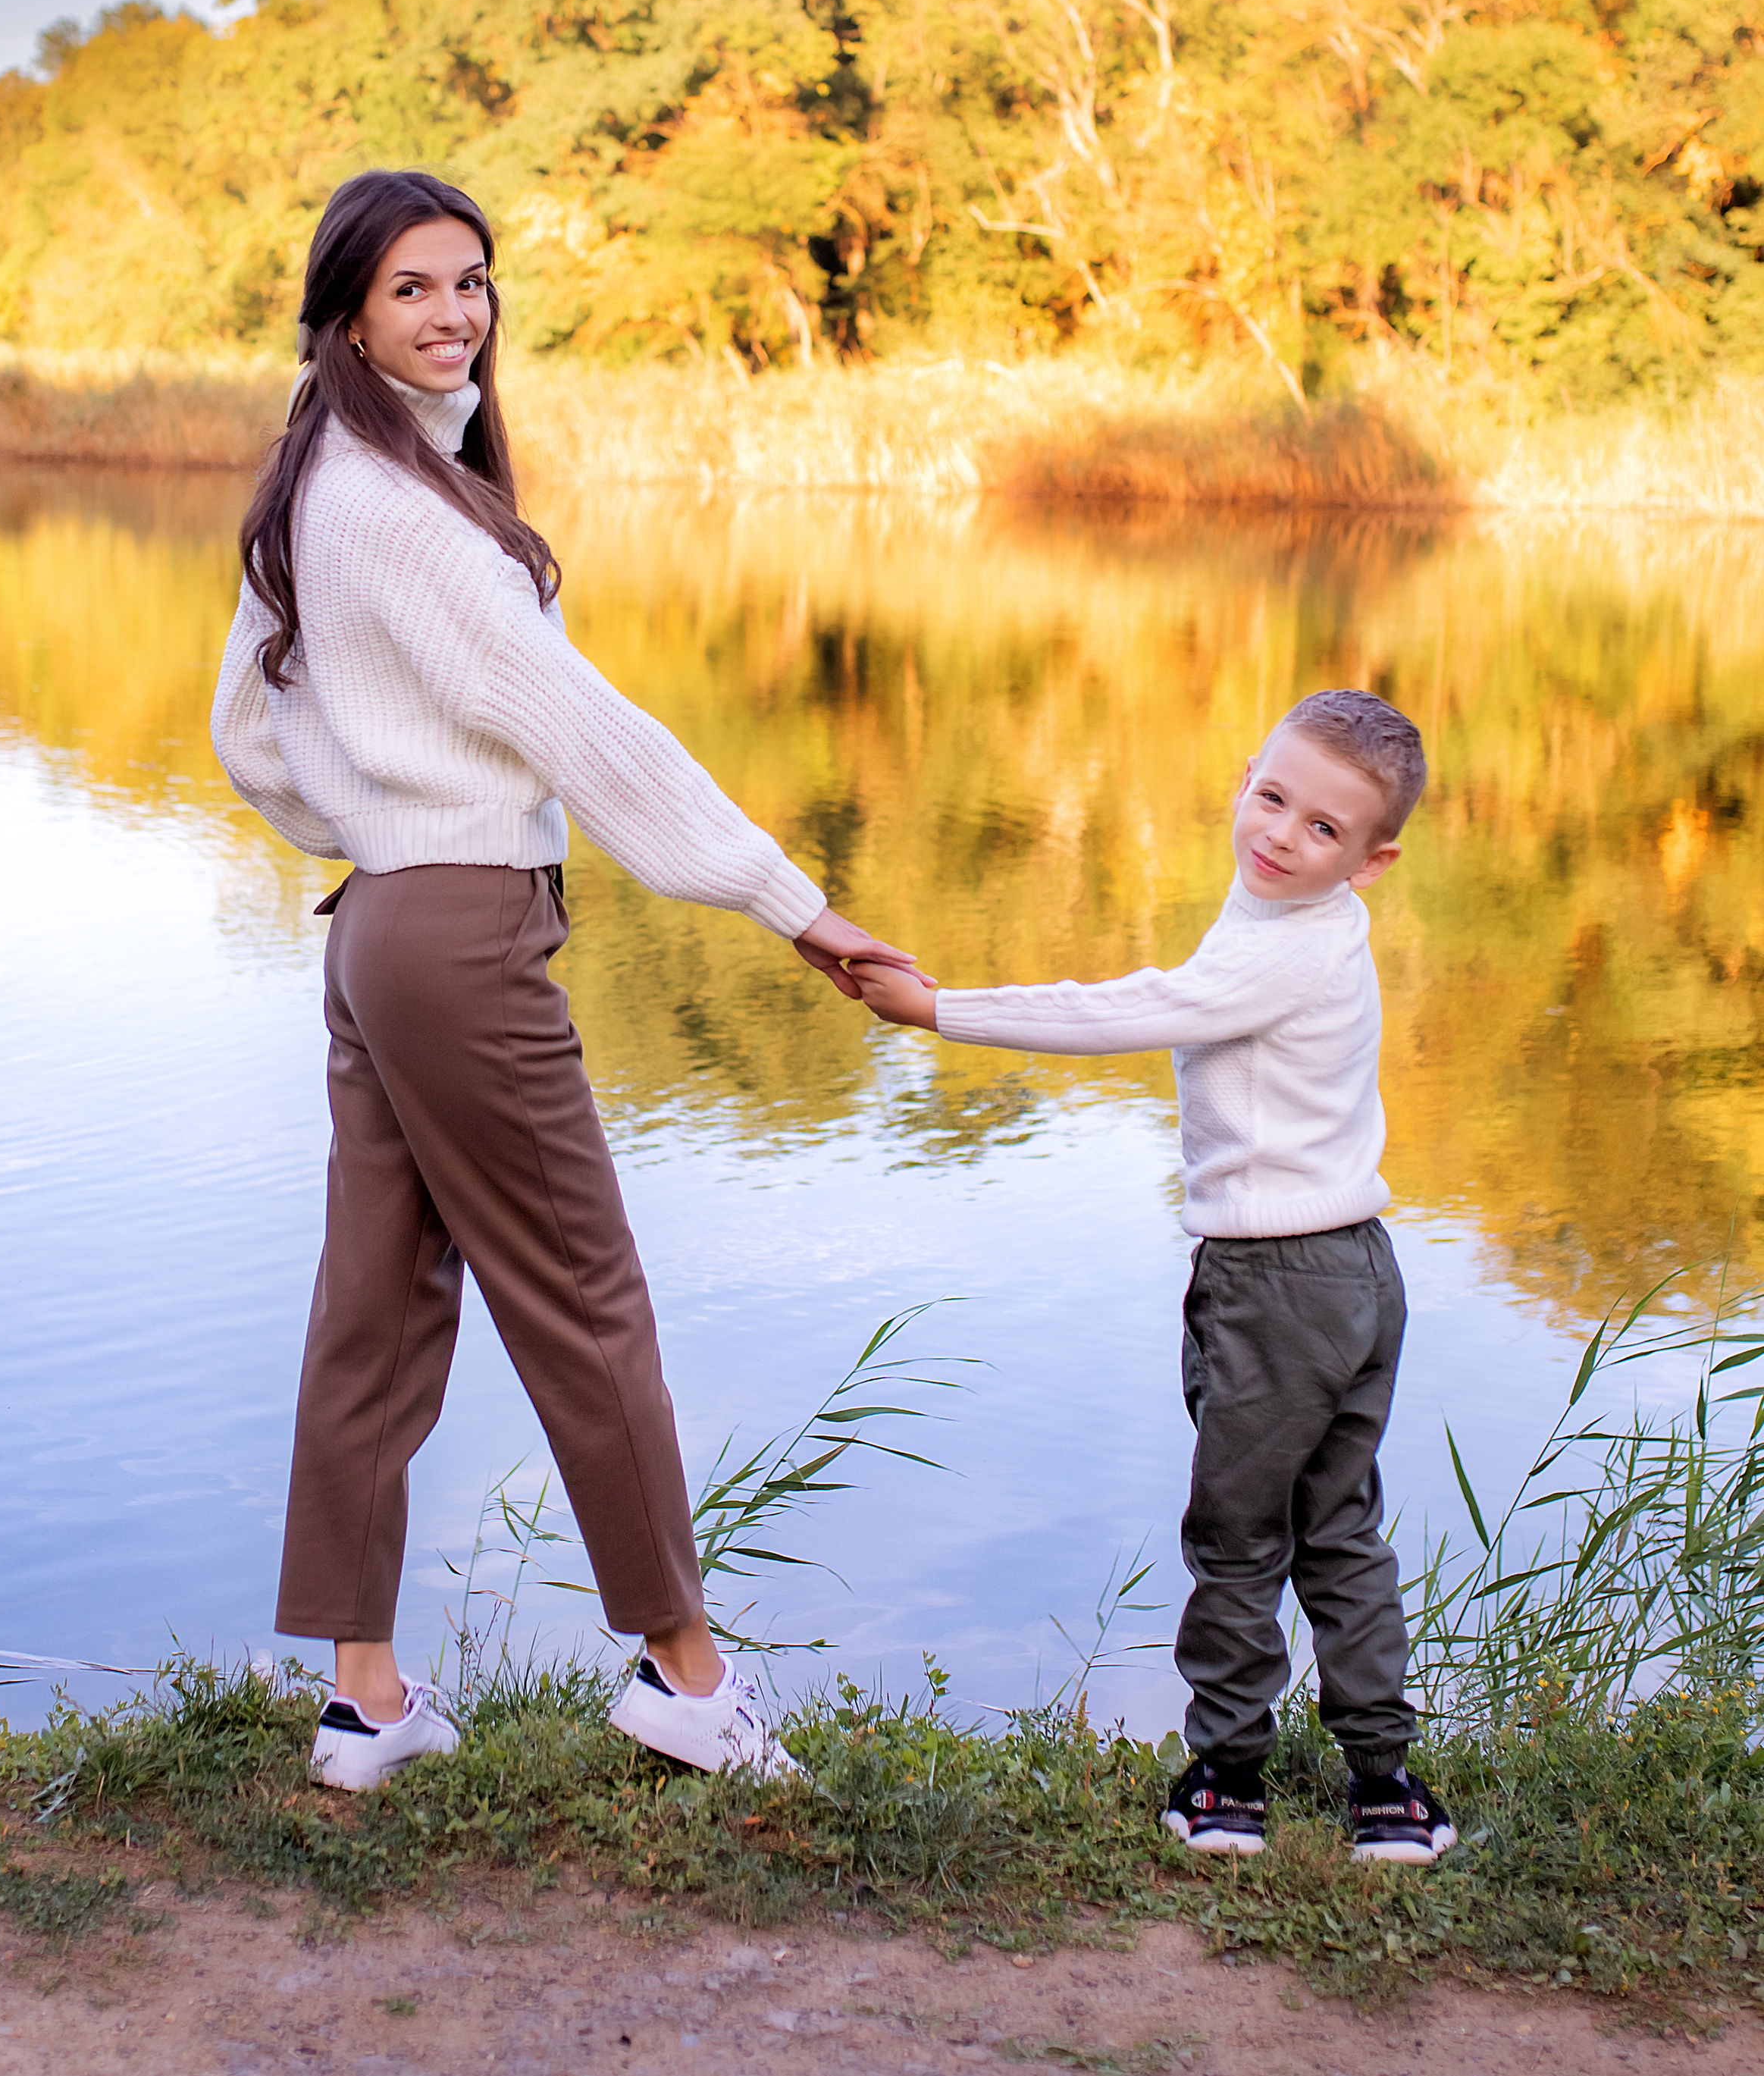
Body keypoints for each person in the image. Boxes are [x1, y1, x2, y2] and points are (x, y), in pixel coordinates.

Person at [212, 169, 914, 1793]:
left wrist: (375, 831)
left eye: (471, 282)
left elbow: (248, 730)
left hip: (385, 920)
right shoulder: (400, 511)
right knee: (584, 1299)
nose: (454, 314)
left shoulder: (318, 470)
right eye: (412, 290)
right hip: (453, 925)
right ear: (345, 315)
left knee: (375, 1307)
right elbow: (590, 734)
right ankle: (685, 1676)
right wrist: (790, 905)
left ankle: (365, 1700)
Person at [848, 689, 1458, 1867]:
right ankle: (1387, 1786)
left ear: (1374, 863)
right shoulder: (1304, 918)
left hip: (1278, 1282)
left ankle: (1228, 1775)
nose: (1282, 836)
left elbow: (1130, 1007)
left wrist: (938, 1011)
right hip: (1357, 1268)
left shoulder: (1282, 947)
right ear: (1244, 777)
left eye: (1324, 831)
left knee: (1240, 1535)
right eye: (1271, 799)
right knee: (1340, 1525)